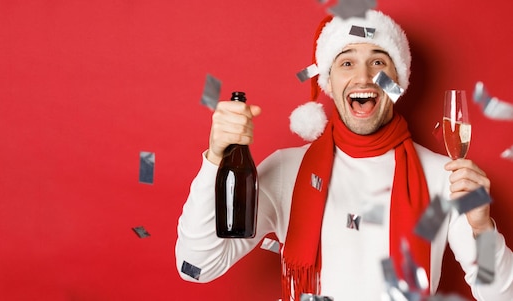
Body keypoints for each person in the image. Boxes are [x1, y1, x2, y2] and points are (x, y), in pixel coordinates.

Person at [175, 9, 513, 301]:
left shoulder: (444, 176)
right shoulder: (286, 169)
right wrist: (215, 160)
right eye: (347, 62)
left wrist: (482, 228)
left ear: (399, 81)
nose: (363, 77)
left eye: (379, 62)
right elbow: (197, 267)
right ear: (329, 82)